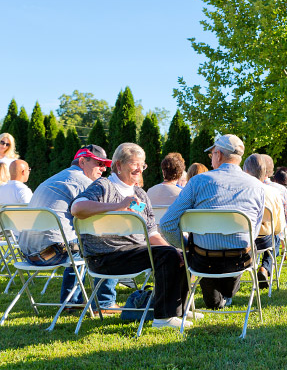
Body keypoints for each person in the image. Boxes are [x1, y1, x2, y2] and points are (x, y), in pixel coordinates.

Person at [71, 143, 192, 329]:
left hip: (135, 253)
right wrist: (117, 206)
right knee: (166, 255)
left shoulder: (140, 195)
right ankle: (163, 318)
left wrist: (173, 250)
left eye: (142, 165)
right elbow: (77, 208)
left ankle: (180, 309)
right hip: (106, 256)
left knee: (177, 253)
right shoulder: (103, 186)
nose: (139, 169)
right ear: (118, 165)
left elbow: (151, 233)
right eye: (134, 164)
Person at [159, 135, 265, 310]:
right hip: (240, 258)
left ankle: (218, 295)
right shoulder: (257, 186)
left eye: (212, 155)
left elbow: (167, 224)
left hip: (202, 258)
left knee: (205, 252)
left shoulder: (198, 182)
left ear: (219, 155)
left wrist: (186, 246)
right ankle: (226, 292)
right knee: (247, 243)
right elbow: (254, 229)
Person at [17, 145, 119, 311]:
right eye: (98, 163)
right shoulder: (84, 183)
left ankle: (72, 301)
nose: (103, 169)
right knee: (108, 243)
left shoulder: (54, 178)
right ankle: (105, 302)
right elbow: (103, 221)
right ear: (82, 161)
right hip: (52, 252)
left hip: (28, 255)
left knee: (75, 243)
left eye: (105, 165)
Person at [243, 154, 287, 288]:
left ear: (245, 172)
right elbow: (278, 227)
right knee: (276, 238)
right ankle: (265, 268)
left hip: (241, 240)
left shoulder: (239, 190)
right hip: (263, 240)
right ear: (265, 173)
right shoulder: (273, 193)